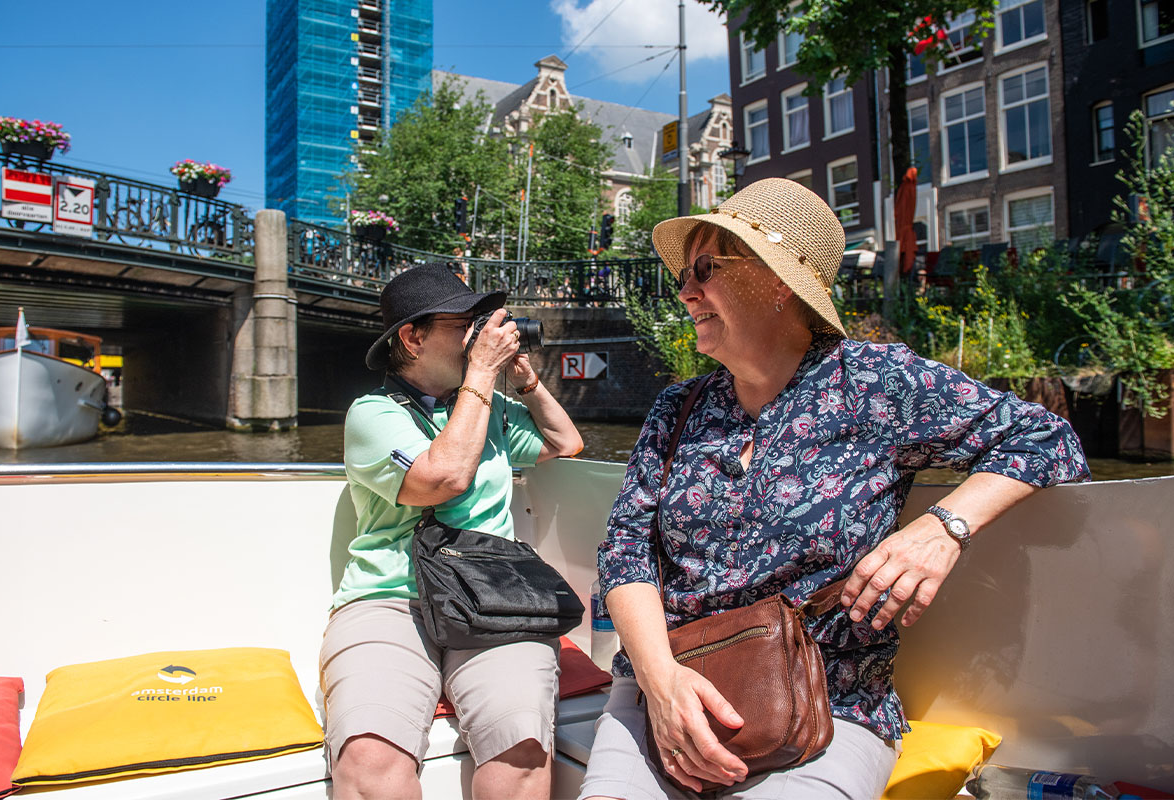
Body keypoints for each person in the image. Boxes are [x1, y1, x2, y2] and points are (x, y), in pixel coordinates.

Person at [580, 178, 1089, 800]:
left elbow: (1046, 439)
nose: (686, 291)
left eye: (706, 269)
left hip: (830, 700)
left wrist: (941, 530)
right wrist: (661, 687)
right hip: (663, 683)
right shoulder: (677, 407)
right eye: (685, 274)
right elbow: (625, 552)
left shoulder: (876, 384)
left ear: (778, 282)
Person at [320, 262, 583, 800]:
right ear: (413, 338)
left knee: (523, 746)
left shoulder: (493, 409)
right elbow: (442, 479)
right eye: (463, 325)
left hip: (493, 596)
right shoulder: (372, 414)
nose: (477, 336)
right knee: (368, 757)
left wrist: (524, 379)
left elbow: (565, 443)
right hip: (392, 598)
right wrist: (482, 374)